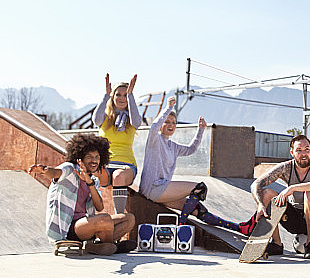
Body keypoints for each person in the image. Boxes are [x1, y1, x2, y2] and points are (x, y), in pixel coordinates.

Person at [138, 96, 258, 235]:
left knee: (198, 209)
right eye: (167, 122)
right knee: (199, 188)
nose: (171, 125)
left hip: (162, 190)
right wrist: (169, 108)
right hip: (152, 188)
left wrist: (200, 130)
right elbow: (154, 127)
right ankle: (181, 225)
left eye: (174, 122)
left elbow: (191, 149)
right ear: (161, 124)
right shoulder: (154, 141)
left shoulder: (173, 146)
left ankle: (239, 228)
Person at [29, 133, 136, 256]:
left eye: (97, 157)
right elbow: (55, 173)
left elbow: (99, 207)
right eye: (89, 157)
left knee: (129, 219)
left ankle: (100, 246)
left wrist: (89, 183)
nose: (94, 160)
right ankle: (112, 246)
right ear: (80, 158)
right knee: (105, 219)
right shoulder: (70, 169)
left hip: (88, 224)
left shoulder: (93, 179)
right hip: (69, 228)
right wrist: (44, 171)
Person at [250, 135, 310, 259]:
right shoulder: (286, 168)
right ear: (292, 152)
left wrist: (293, 188)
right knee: (267, 194)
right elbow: (256, 184)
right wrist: (260, 204)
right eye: (299, 150)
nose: (304, 154)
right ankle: (277, 244)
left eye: (307, 149)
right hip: (295, 220)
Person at [93, 73, 141, 212]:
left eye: (125, 95)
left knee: (118, 176)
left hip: (126, 166)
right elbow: (95, 120)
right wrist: (106, 95)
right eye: (118, 94)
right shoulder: (105, 117)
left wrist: (131, 95)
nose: (121, 98)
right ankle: (90, 215)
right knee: (93, 173)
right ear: (113, 96)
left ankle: (118, 217)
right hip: (106, 163)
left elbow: (137, 122)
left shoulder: (132, 117)